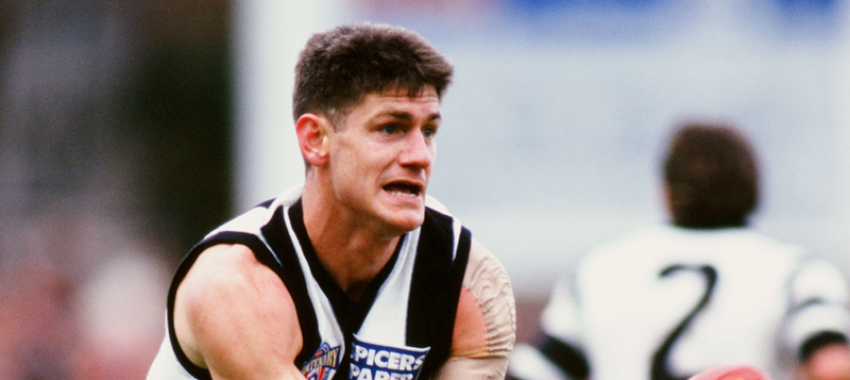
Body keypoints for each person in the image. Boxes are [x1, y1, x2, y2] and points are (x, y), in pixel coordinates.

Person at [147, 23, 516, 380]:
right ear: (315, 139)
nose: (420, 155)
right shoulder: (234, 284)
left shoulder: (471, 286)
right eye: (391, 128)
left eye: (429, 131)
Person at [506, 122, 850, 380]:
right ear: (754, 187)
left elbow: (534, 374)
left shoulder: (599, 270)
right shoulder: (798, 272)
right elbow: (831, 366)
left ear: (666, 191)